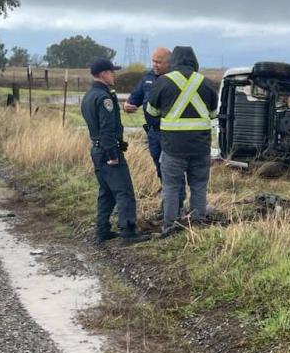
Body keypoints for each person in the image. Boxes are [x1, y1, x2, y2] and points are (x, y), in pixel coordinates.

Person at [146, 46, 218, 237]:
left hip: (172, 147)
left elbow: (151, 112)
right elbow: (213, 114)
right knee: (199, 185)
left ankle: (169, 227)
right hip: (200, 147)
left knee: (171, 186)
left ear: (173, 61)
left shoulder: (162, 82)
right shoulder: (207, 83)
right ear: (195, 61)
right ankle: (198, 223)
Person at [81, 58, 150, 246]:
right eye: (112, 72)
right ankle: (128, 231)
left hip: (96, 150)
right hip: (107, 152)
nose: (114, 75)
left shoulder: (89, 96)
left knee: (107, 192)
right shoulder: (104, 98)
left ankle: (102, 230)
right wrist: (112, 154)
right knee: (124, 191)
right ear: (103, 74)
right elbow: (107, 129)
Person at [123, 47, 186, 211]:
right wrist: (127, 105)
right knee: (160, 169)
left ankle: (175, 206)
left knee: (172, 169)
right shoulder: (147, 78)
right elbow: (134, 99)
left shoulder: (176, 79)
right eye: (153, 61)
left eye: (159, 62)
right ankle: (168, 201)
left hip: (171, 134)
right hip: (153, 133)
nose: (155, 65)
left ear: (169, 62)